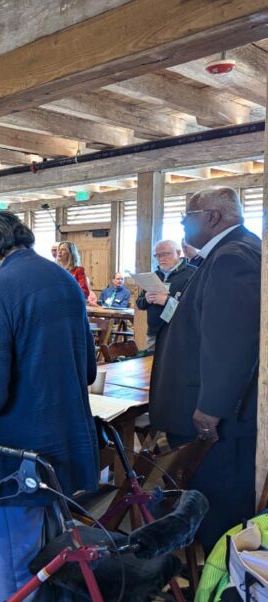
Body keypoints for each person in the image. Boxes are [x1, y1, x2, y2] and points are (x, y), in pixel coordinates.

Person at [0, 209, 98, 601]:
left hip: (12, 458)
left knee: (13, 575)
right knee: (44, 561)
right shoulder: (64, 279)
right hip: (59, 447)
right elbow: (88, 370)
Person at [150, 187, 259, 553]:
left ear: (212, 217)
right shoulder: (237, 250)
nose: (182, 222)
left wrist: (210, 406)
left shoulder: (232, 257)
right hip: (222, 409)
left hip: (220, 416)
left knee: (219, 508)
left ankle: (220, 576)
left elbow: (231, 341)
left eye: (187, 215)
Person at [135, 239, 195, 351]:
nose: (161, 258)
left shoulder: (193, 274)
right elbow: (140, 304)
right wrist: (146, 299)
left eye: (166, 254)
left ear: (178, 253)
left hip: (179, 334)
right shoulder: (154, 275)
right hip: (154, 333)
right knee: (150, 366)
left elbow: (195, 306)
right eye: (157, 255)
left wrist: (168, 301)